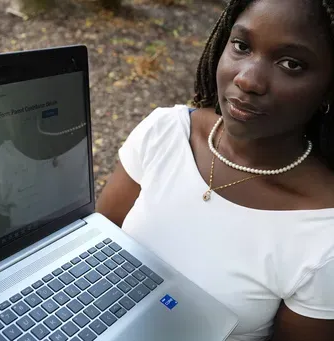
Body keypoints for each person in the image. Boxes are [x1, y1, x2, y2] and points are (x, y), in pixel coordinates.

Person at [96, 0, 334, 340]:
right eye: (241, 46)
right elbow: (98, 246)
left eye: (291, 64)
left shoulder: (323, 232)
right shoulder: (166, 132)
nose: (248, 79)